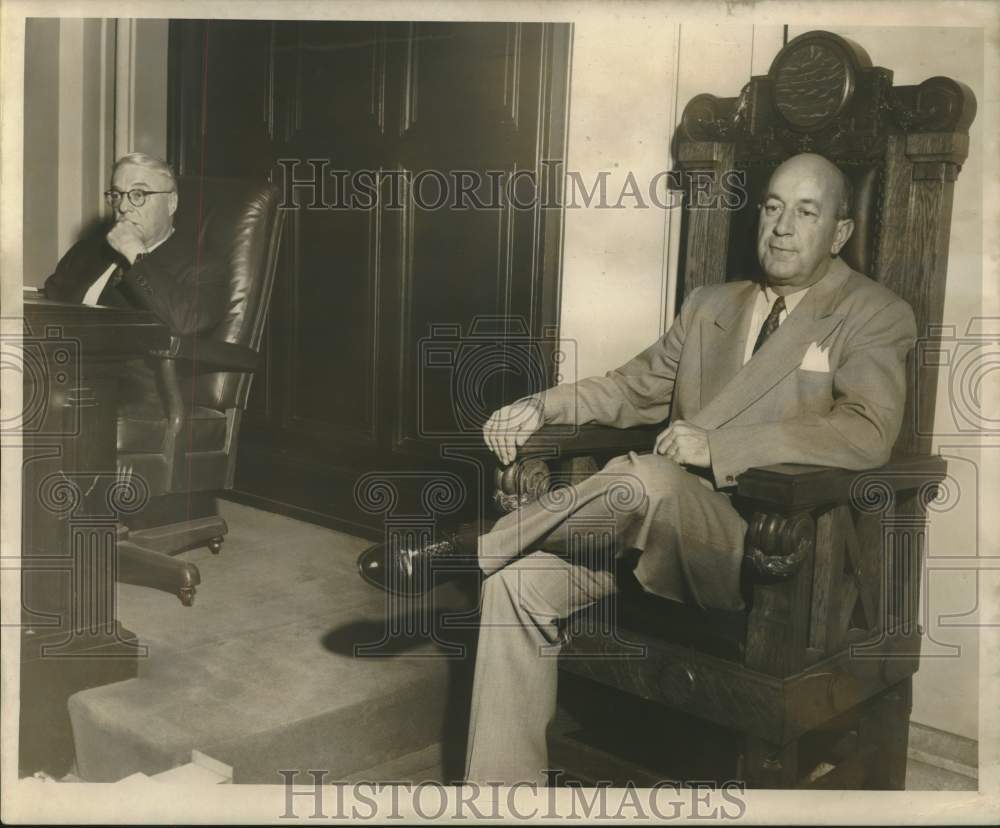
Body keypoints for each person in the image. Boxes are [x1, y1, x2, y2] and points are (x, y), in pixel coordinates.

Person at [358, 153, 917, 784]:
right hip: (641, 531)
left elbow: (868, 433)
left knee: (647, 475)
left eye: (806, 212)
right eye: (772, 206)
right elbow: (631, 388)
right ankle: (501, 799)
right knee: (517, 586)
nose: (782, 226)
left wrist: (722, 448)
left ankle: (469, 547)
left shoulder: (873, 311)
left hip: (766, 555)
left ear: (839, 233)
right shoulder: (712, 304)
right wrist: (543, 404)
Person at [45, 152, 228, 401]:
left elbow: (186, 321)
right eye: (117, 194)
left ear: (171, 203)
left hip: (129, 393)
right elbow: (50, 304)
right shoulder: (87, 251)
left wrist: (136, 254)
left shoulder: (203, 265)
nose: (123, 206)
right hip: (59, 375)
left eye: (138, 195)